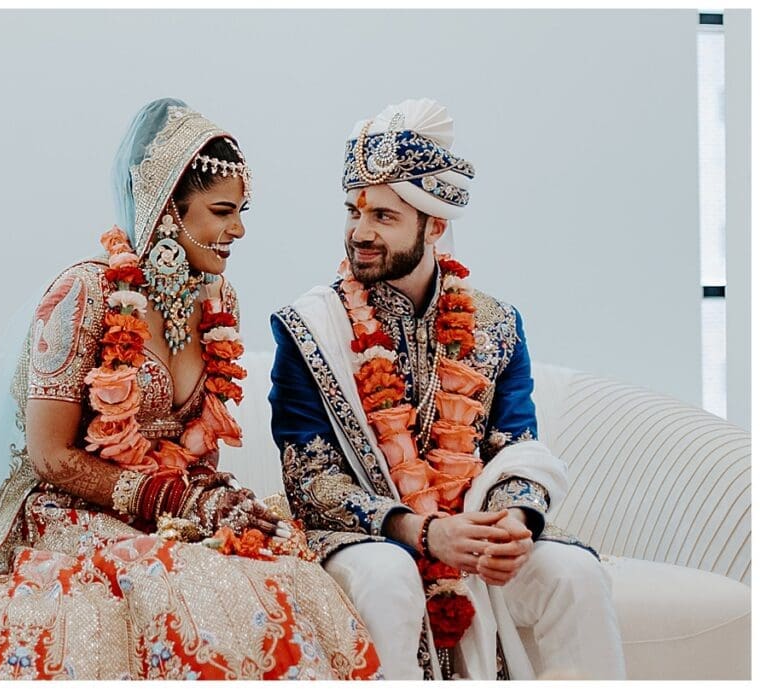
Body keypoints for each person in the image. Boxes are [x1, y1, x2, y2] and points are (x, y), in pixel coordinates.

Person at [0, 98, 382, 680]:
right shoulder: (84, 294)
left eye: (241, 211)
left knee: (280, 571)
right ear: (167, 207)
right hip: (73, 515)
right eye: (222, 211)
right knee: (178, 587)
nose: (239, 229)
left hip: (173, 513)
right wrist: (169, 500)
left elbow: (196, 449)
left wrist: (214, 502)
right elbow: (49, 456)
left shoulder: (217, 300)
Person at [268, 98, 626, 680]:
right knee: (390, 576)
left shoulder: (495, 324)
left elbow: (516, 445)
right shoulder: (309, 329)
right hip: (364, 535)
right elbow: (309, 480)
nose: (360, 232)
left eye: (384, 217)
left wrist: (513, 524)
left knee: (575, 574)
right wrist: (426, 532)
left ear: (434, 226)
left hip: (474, 526)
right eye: (354, 211)